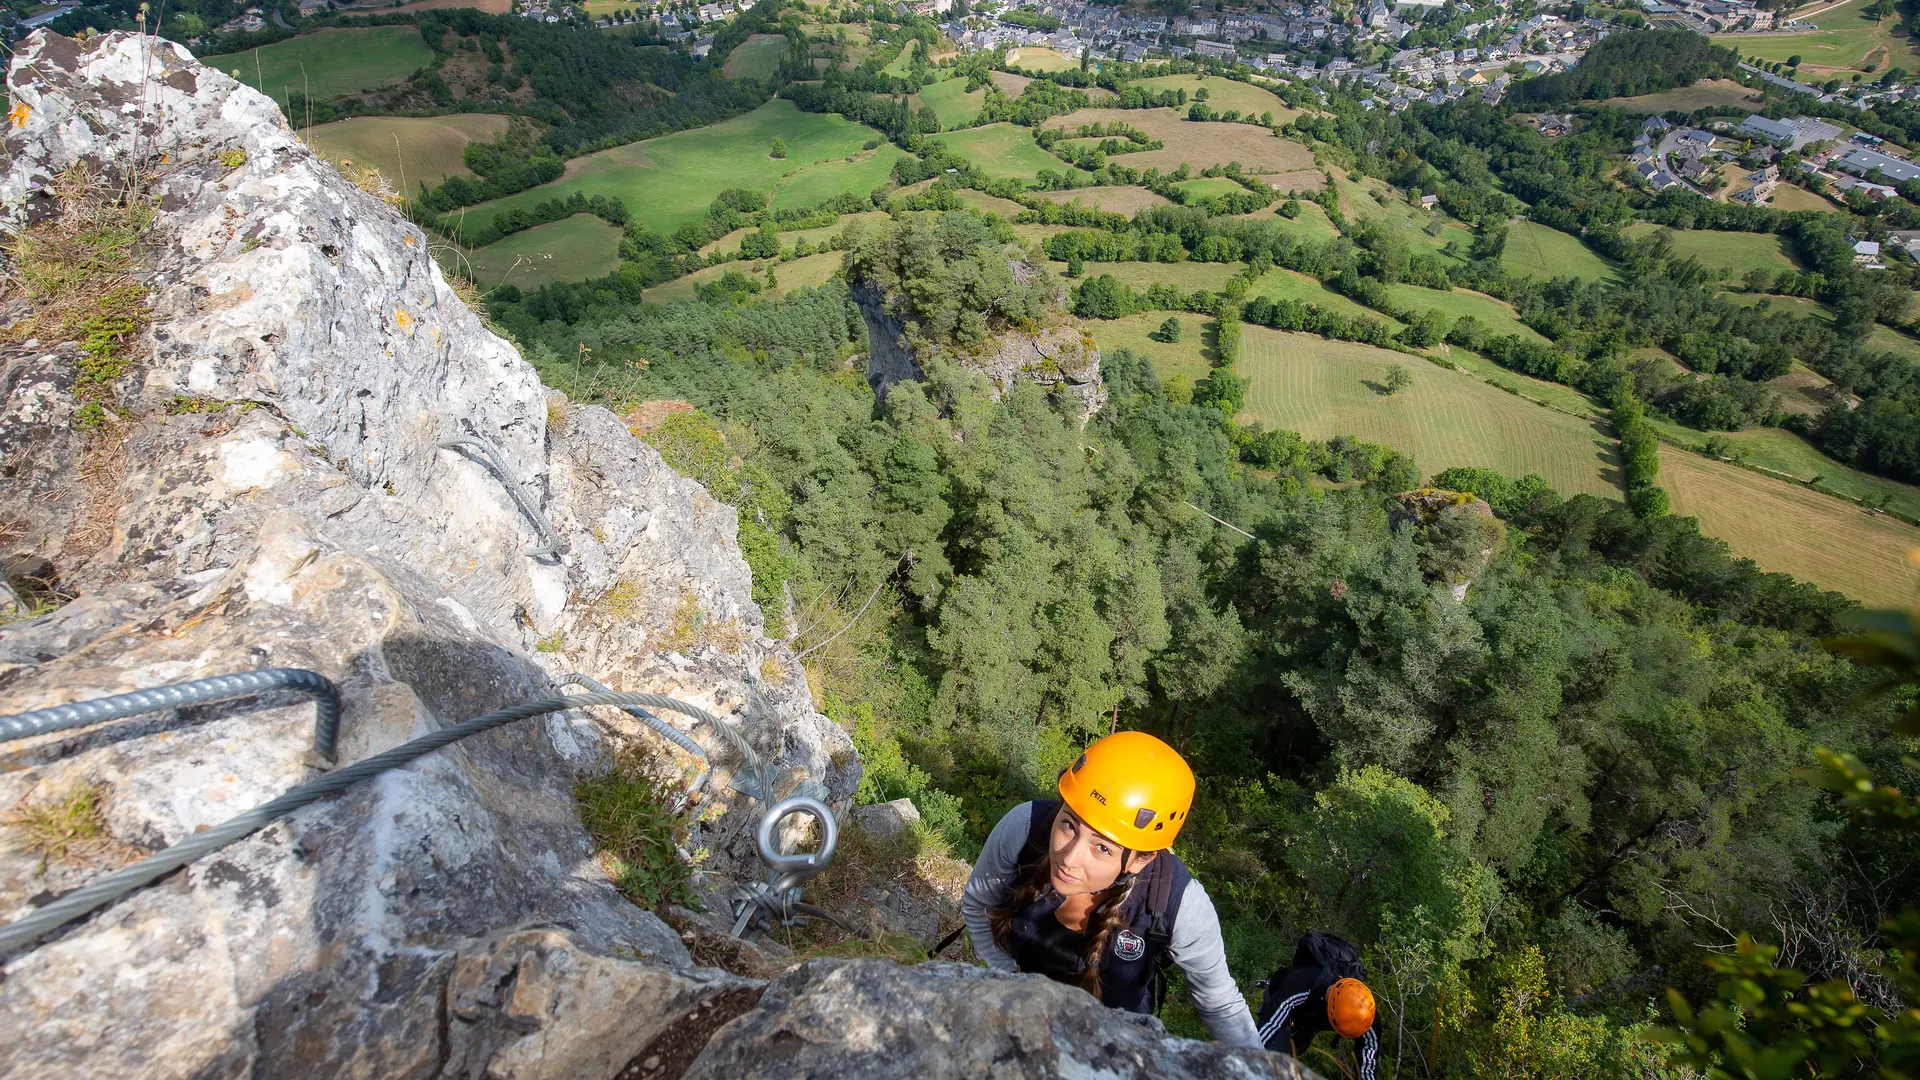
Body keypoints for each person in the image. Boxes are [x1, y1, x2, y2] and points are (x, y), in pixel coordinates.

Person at [959, 731, 1262, 1048]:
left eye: (1102, 848)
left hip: (1118, 1043)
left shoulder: (1178, 903)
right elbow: (979, 902)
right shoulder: (1025, 827)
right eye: (1069, 825)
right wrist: (1011, 986)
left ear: (1141, 860)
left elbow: (1221, 1005)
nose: (1069, 858)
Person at [1255, 930, 1380, 1079]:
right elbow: (1270, 1024)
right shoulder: (1302, 984)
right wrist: (1250, 1058)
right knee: (1275, 1054)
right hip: (1281, 1003)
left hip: (1308, 1021)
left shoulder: (1365, 1014)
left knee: (1296, 1048)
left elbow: (1368, 1060)